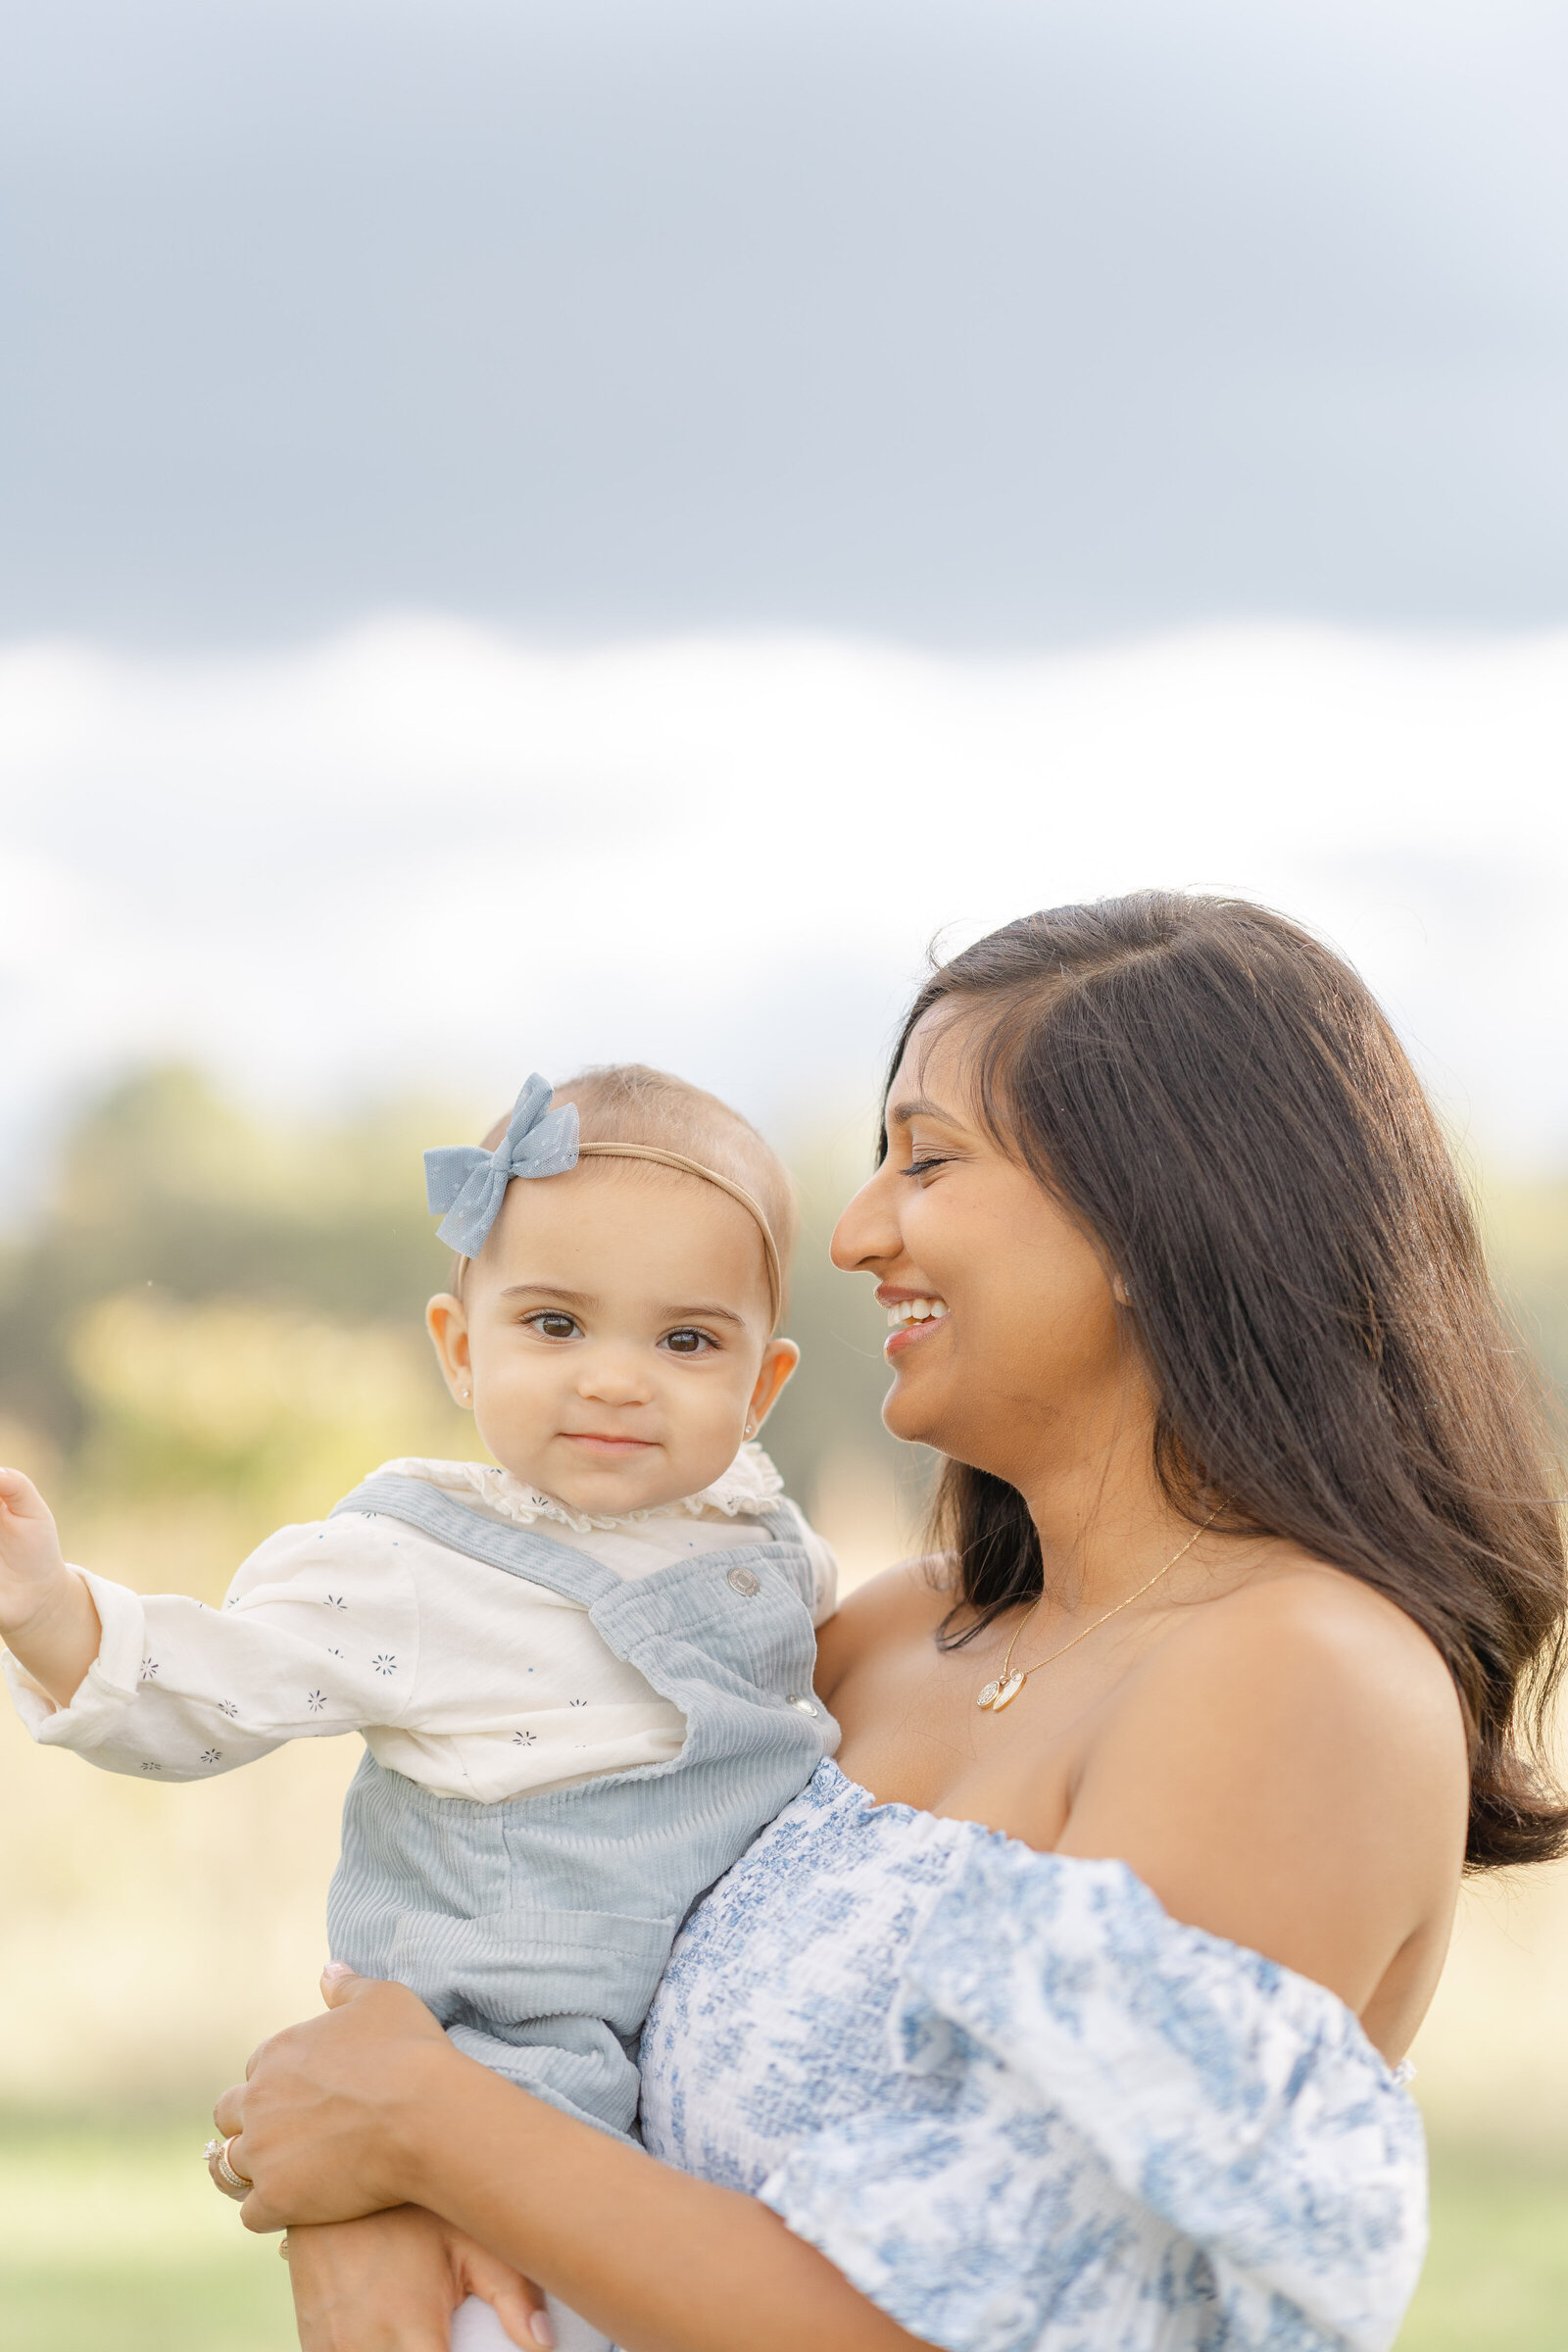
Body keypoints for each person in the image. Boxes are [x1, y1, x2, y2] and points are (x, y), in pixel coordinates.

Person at [124, 895, 1568, 2350]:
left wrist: (427, 2139)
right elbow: (504, 1971)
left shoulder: (1304, 1681)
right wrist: (361, 2205)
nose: (860, 1228)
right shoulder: (864, 1641)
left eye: (929, 1160)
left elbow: (936, 2330)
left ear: (1159, 1213)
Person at [0, 1063, 839, 2352]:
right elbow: (215, 1687)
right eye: (556, 1325)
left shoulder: (766, 1542)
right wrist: (53, 1610)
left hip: (692, 2075)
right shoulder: (412, 1563)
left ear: (762, 1384)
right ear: (461, 1346)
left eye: (685, 1340)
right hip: (501, 2061)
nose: (617, 1378)